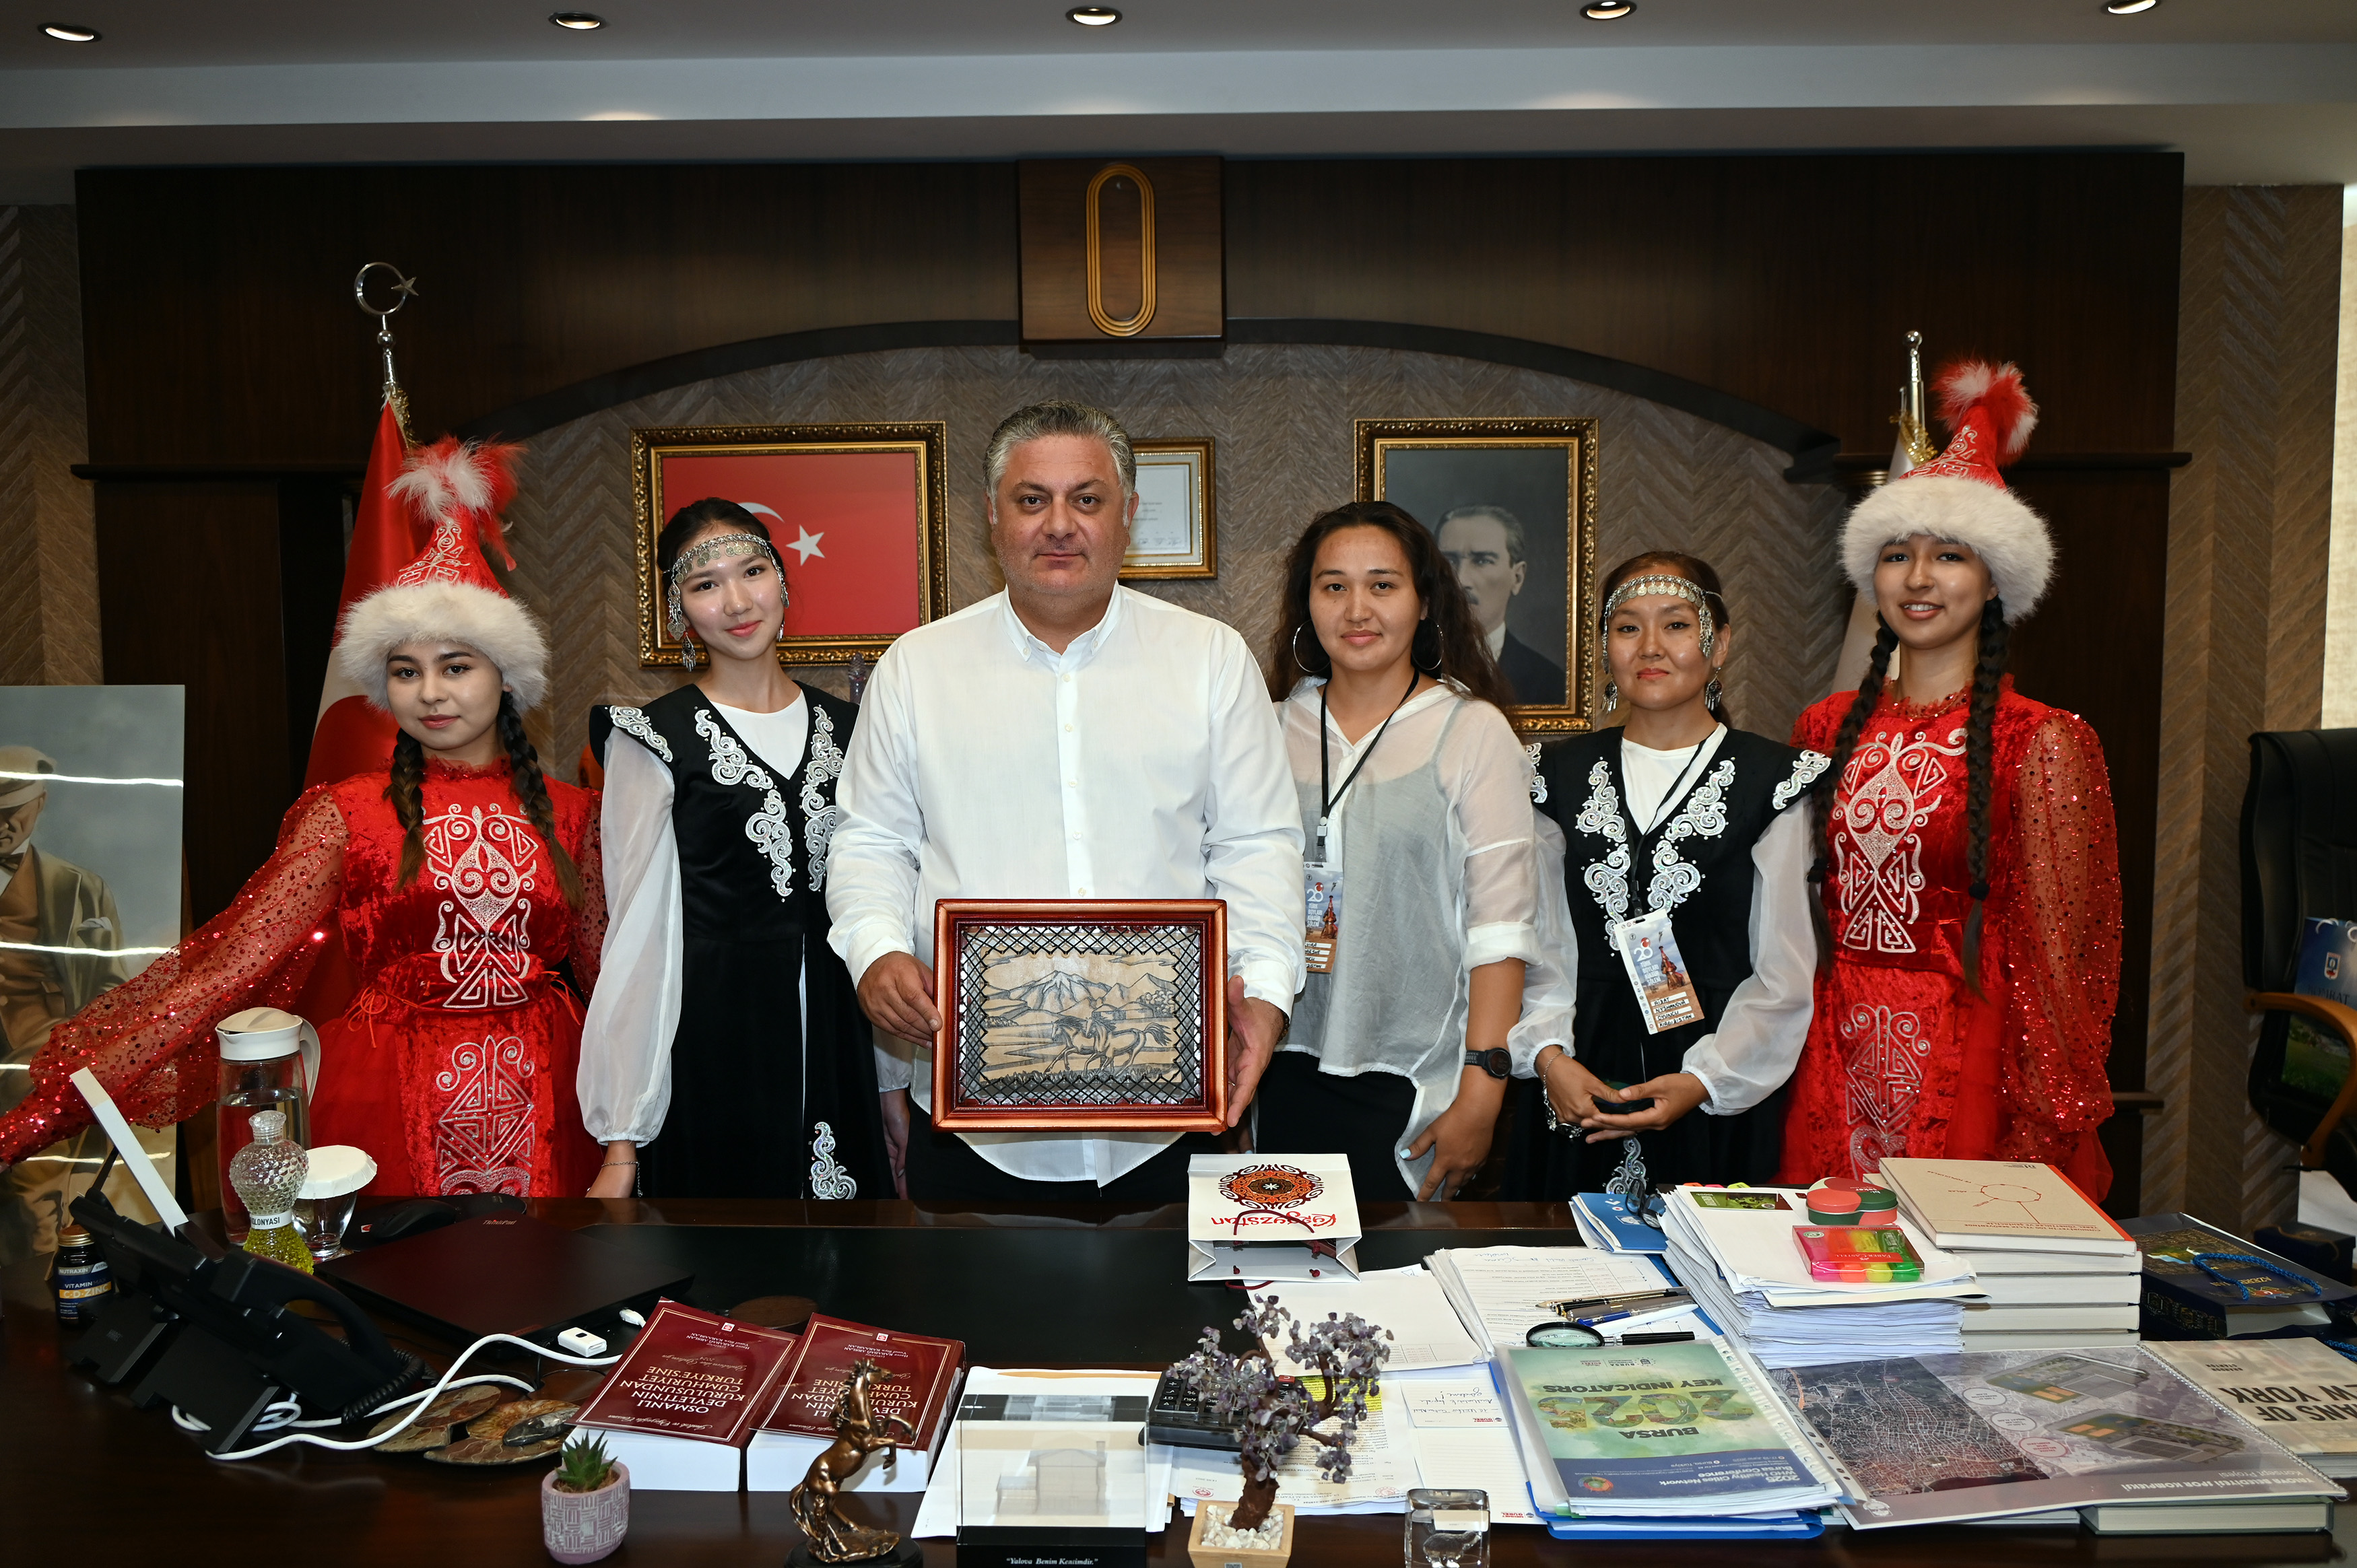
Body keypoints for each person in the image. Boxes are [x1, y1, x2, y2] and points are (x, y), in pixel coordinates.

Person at [0, 438, 606, 1198]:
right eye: (406, 671)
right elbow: (232, 965)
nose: (430, 692)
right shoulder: (345, 812)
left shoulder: (577, 814)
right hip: (390, 1091)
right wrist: (50, 1107)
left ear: (505, 677)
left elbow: (614, 979)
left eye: (456, 666)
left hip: (551, 1091)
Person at [827, 399, 1302, 1202]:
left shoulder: (1209, 660)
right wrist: (874, 951)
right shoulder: (916, 668)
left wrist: (1262, 993)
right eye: (1030, 499)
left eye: (1086, 499)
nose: (1058, 524)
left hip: (1171, 1120)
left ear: (1127, 516)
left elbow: (1256, 846)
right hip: (972, 1129)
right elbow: (871, 840)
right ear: (992, 515)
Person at [1777, 362, 2121, 1195]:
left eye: (1949, 556)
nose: (1918, 578)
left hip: (1969, 1062)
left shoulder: (2041, 740)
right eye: (1897, 555)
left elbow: (2060, 964)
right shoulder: (1822, 728)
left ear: (1994, 579)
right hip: (1831, 1053)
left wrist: (2038, 1119)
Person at [577, 498, 890, 1200]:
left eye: (752, 572)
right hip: (715, 1036)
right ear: (678, 610)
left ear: (782, 580)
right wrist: (622, 1139)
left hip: (840, 1033)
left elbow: (882, 903)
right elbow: (637, 937)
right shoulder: (652, 739)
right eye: (705, 584)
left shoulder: (855, 729)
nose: (738, 602)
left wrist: (893, 1089)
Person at [1253, 500, 1547, 1201]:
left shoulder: (1472, 732)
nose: (1357, 609)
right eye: (1333, 586)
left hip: (1416, 1082)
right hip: (1271, 1064)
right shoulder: (1264, 729)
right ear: (1306, 603)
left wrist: (1482, 1093)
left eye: (1382, 585)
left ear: (1424, 602)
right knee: (1272, 1263)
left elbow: (1500, 929)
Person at [1511, 551, 1823, 1198]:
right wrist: (1548, 1057)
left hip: (1714, 1086)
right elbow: (1536, 941)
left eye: (1676, 624)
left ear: (1720, 642)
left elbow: (1783, 971)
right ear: (1605, 647)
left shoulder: (1774, 780)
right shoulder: (1552, 774)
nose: (1650, 646)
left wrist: (1705, 1080)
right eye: (1627, 627)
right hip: (1575, 1077)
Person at [1436, 505, 1566, 705]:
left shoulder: (1550, 682)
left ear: (1517, 577)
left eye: (1482, 561)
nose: (1461, 580)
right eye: (1449, 561)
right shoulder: (1406, 668)